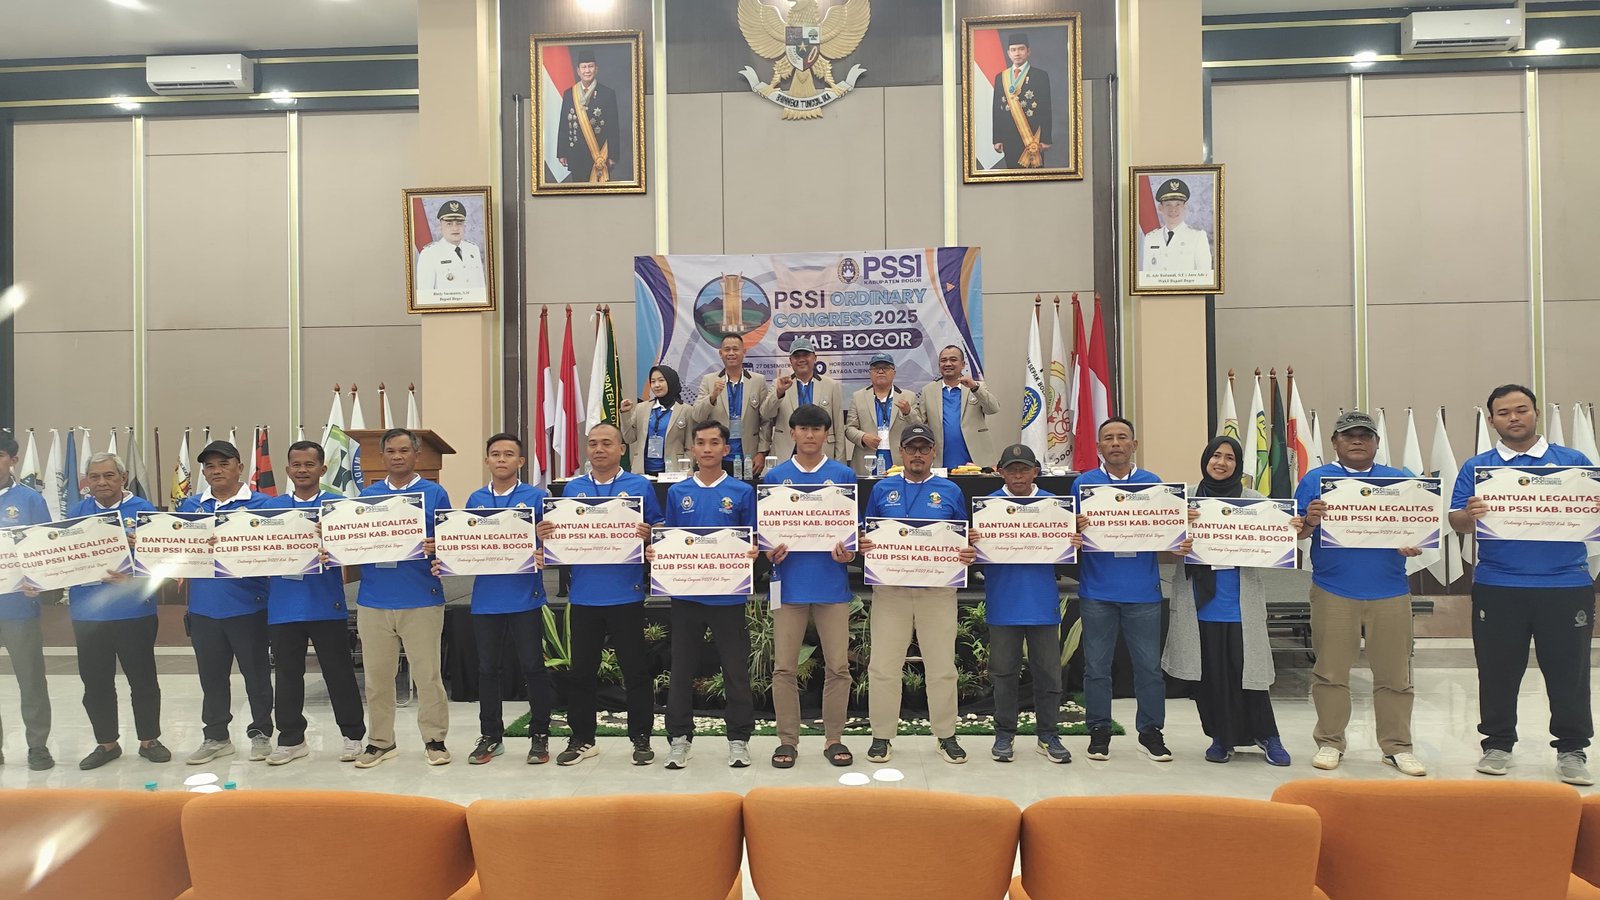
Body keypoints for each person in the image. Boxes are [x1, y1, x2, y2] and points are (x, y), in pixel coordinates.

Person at [1450, 384, 1595, 786]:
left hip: (1566, 584)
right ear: (1492, 419)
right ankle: (1497, 744)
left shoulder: (1573, 462)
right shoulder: (1478, 467)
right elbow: (1456, 522)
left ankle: (1572, 750)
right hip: (1498, 584)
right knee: (1497, 669)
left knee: (1569, 672)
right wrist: (1469, 514)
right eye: (1504, 412)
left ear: (1535, 413)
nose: (1513, 418)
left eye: (1521, 409)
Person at [1295, 410, 1427, 776]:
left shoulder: (1400, 481)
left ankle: (1397, 747)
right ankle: (1330, 742)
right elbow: (1297, 532)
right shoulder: (1316, 480)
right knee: (1330, 673)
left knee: (1395, 675)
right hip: (1334, 590)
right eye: (1348, 435)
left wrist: (1413, 541)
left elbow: (1419, 530)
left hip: (1390, 591)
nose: (1357, 440)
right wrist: (1310, 521)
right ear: (1334, 442)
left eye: (1365, 435)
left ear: (1376, 443)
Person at [1161, 436, 1295, 766]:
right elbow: (1162, 541)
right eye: (1216, 456)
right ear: (1206, 459)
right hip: (1199, 605)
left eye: (1230, 458)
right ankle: (1220, 737)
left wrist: (1290, 526)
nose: (1221, 463)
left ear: (1238, 465)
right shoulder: (1186, 498)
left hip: (1239, 604)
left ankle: (1268, 736)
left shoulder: (1253, 500)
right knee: (1211, 678)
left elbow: (1277, 537)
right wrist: (1175, 538)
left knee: (1250, 676)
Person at [537, 423, 664, 766]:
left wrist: (650, 533)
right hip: (584, 596)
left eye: (607, 443)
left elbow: (659, 528)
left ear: (621, 449)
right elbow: (559, 536)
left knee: (635, 672)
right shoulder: (573, 488)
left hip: (626, 594)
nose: (599, 449)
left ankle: (640, 737)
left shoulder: (639, 486)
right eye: (592, 443)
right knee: (581, 673)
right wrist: (545, 533)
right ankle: (582, 739)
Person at [861, 423, 978, 765]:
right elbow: (868, 533)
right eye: (911, 448)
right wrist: (864, 543)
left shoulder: (950, 490)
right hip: (891, 591)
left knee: (941, 667)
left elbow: (963, 536)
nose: (917, 454)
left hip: (937, 592)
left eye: (924, 448)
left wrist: (967, 551)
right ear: (900, 452)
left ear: (933, 453)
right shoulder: (882, 488)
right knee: (883, 666)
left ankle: (946, 735)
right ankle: (881, 736)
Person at [657, 421, 759, 769]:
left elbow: (752, 538)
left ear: (726, 450)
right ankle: (679, 739)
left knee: (735, 671)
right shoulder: (678, 492)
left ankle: (739, 739)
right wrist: (658, 550)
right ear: (692, 450)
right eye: (700, 443)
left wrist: (753, 551)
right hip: (686, 597)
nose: (707, 449)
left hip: (728, 597)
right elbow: (670, 539)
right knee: (681, 669)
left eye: (714, 443)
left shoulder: (742, 491)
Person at [350, 428, 453, 768]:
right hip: (374, 600)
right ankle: (381, 742)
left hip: (421, 598)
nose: (397, 456)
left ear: (416, 455)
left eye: (404, 450)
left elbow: (451, 540)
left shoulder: (434, 493)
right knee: (377, 679)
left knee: (428, 677)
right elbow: (352, 539)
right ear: (382, 456)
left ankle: (435, 740)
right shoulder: (367, 497)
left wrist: (438, 544)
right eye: (391, 451)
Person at [763, 403, 858, 769]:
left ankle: (834, 738)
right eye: (803, 428)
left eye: (816, 429)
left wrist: (848, 552)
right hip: (788, 585)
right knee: (784, 668)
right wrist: (768, 550)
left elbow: (852, 533)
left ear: (825, 434)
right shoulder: (775, 477)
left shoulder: (843, 475)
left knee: (839, 667)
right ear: (793, 433)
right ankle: (787, 740)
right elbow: (764, 534)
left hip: (831, 585)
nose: (809, 435)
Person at [1074, 417, 1174, 762]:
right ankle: (1099, 730)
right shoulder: (1084, 485)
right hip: (1097, 591)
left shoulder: (1154, 485)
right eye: (1108, 438)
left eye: (1122, 437)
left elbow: (1166, 534)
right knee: (1096, 668)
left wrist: (1179, 532)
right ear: (1099, 446)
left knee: (1148, 668)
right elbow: (1066, 536)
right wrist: (1074, 529)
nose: (1115, 443)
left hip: (1143, 592)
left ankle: (1151, 732)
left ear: (1134, 444)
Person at [261, 441, 365, 766]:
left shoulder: (339, 508)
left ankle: (353, 737)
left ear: (322, 469)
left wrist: (335, 544)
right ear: (288, 469)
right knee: (287, 676)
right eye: (296, 464)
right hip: (283, 607)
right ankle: (291, 739)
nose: (302, 470)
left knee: (339, 673)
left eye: (309, 464)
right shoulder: (272, 508)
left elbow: (357, 550)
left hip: (325, 604)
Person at [974, 444, 1078, 764]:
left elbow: (1068, 554)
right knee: (1003, 674)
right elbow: (973, 557)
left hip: (1042, 602)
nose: (1018, 475)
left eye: (1024, 468)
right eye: (1011, 469)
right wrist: (971, 543)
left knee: (1049, 675)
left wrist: (1074, 541)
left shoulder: (1054, 506)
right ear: (1000, 472)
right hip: (1003, 602)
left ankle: (1048, 735)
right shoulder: (987, 508)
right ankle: (1004, 734)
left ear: (1036, 471)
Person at [457, 433, 554, 766]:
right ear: (487, 460)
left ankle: (540, 735)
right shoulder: (476, 498)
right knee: (488, 669)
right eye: (495, 454)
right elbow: (466, 542)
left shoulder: (537, 497)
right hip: (487, 598)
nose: (501, 459)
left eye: (509, 454)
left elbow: (553, 543)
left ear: (520, 461)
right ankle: (491, 736)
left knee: (533, 667)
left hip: (525, 596)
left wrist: (543, 549)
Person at [177, 440, 274, 765]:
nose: (216, 471)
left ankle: (261, 732)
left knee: (257, 677)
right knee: (212, 679)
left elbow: (276, 549)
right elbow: (172, 548)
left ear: (240, 467)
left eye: (223, 464)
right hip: (203, 608)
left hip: (249, 606)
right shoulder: (190, 506)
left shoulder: (262, 504)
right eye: (209, 466)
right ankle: (216, 736)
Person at [68, 453, 166, 770]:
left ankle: (149, 740)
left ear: (123, 478)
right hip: (88, 614)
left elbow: (162, 560)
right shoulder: (76, 513)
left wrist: (135, 574)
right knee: (95, 682)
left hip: (133, 611)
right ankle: (106, 743)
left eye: (109, 475)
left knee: (143, 679)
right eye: (94, 476)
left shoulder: (144, 510)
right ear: (87, 481)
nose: (101, 482)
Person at [0, 432, 54, 770]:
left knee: (31, 678)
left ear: (13, 460)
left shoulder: (30, 500)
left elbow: (46, 550)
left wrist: (40, 582)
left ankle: (38, 745)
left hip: (18, 607)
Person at [691, 334, 773, 476]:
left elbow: (766, 420)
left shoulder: (758, 381)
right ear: (720, 353)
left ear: (744, 351)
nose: (731, 353)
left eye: (735, 349)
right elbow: (697, 416)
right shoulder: (709, 380)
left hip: (749, 456)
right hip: (718, 456)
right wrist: (712, 397)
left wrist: (762, 452)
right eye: (727, 349)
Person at [763, 337, 848, 462]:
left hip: (822, 451)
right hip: (787, 452)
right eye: (797, 356)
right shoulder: (779, 384)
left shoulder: (831, 385)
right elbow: (765, 414)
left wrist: (840, 462)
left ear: (815, 358)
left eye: (806, 355)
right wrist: (779, 393)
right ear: (790, 360)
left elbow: (839, 428)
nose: (801, 359)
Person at [919, 345, 1000, 470]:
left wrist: (975, 388)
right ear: (939, 365)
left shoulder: (977, 387)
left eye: (953, 360)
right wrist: (907, 412)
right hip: (940, 461)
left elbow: (993, 409)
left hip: (975, 460)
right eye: (944, 360)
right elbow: (920, 424)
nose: (948, 364)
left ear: (963, 364)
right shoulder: (928, 390)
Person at [843, 351, 924, 475]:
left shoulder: (908, 396)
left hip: (898, 458)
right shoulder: (858, 397)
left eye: (885, 368)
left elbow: (919, 428)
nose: (880, 371)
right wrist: (863, 437)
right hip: (867, 457)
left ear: (894, 372)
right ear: (870, 373)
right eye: (876, 368)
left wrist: (908, 412)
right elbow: (849, 429)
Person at [990, 31, 1052, 169]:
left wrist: (1046, 138)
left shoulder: (1040, 76)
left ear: (1028, 51)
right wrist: (997, 138)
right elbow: (996, 109)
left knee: (1035, 177)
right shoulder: (1001, 77)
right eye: (1013, 50)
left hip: (1033, 137)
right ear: (1008, 53)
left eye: (1021, 49)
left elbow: (1046, 109)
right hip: (1008, 136)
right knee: (1012, 176)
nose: (1017, 53)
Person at [556, 48, 619, 183]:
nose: (587, 70)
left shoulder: (607, 94)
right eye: (584, 67)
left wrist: (613, 155)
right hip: (576, 154)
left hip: (599, 154)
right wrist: (562, 152)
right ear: (578, 71)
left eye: (590, 66)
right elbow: (564, 125)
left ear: (596, 69)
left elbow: (613, 127)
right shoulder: (569, 94)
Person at [620, 364, 691, 475]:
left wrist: (687, 471)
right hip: (643, 472)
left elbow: (690, 447)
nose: (656, 385)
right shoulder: (641, 408)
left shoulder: (686, 410)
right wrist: (625, 413)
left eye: (661, 380)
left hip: (673, 472)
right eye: (653, 382)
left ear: (671, 381)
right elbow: (629, 438)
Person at [413, 199, 486, 299]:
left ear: (464, 226)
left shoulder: (473, 249)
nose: (455, 228)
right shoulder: (429, 254)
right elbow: (425, 296)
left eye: (459, 223)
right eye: (449, 224)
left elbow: (482, 290)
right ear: (440, 227)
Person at [1140, 178, 1214, 275]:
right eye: (1168, 205)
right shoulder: (1151, 238)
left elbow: (1204, 277)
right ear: (1160, 208)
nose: (1173, 209)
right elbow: (1146, 276)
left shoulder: (1197, 237)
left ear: (1185, 206)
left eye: (1178, 204)